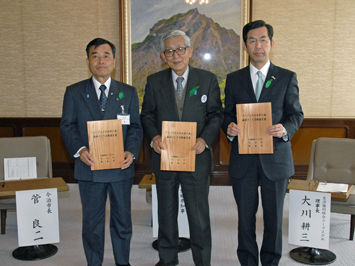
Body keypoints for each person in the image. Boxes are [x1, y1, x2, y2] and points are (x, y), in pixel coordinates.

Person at [222, 20, 303, 266]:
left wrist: (284, 129)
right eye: (252, 40)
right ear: (245, 45)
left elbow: (296, 115)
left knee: (273, 219)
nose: (258, 46)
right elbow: (227, 114)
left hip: (275, 159)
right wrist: (230, 128)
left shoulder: (287, 77)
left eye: (263, 40)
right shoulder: (234, 79)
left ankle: (270, 262)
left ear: (271, 43)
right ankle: (247, 261)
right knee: (245, 218)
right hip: (243, 159)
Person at [140, 30, 223, 266]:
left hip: (196, 157)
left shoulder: (207, 80)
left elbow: (216, 114)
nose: (175, 55)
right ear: (163, 56)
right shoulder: (154, 82)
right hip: (165, 157)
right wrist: (154, 137)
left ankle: (202, 261)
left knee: (198, 216)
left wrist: (204, 139)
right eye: (169, 51)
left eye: (180, 49)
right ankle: (167, 259)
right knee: (165, 214)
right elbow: (146, 115)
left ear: (190, 52)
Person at [60, 38, 143, 266]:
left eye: (106, 55)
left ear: (114, 61)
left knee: (122, 221)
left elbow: (135, 127)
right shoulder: (75, 92)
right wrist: (79, 149)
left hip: (120, 168)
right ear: (88, 61)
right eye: (95, 56)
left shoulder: (128, 92)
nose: (101, 60)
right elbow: (66, 125)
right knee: (92, 223)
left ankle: (122, 263)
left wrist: (131, 152)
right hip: (89, 168)